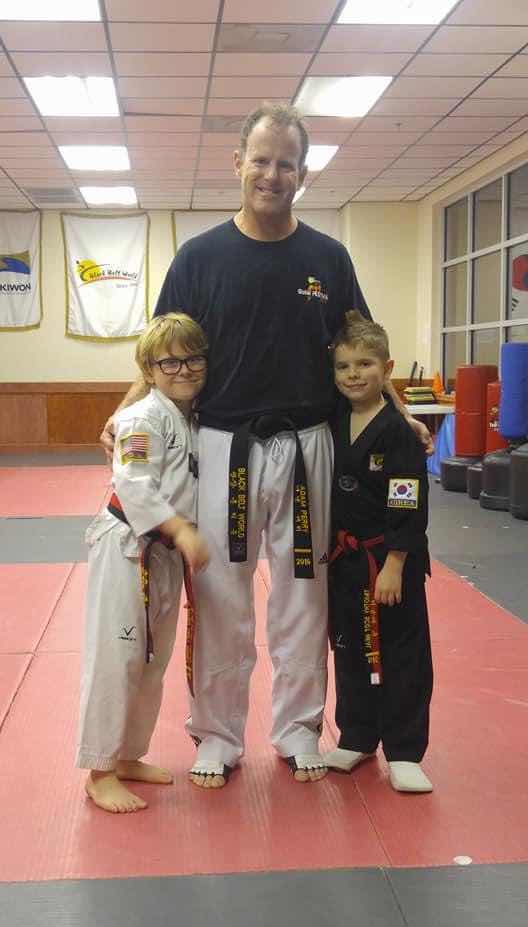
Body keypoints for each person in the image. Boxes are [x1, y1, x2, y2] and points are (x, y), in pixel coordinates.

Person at [101, 102, 431, 789]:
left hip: (310, 446)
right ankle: (218, 735)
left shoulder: (328, 257)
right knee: (220, 594)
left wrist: (402, 417)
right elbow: (162, 351)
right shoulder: (200, 257)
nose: (272, 175)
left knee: (303, 596)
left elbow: (364, 348)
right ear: (238, 164)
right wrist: (125, 409)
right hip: (224, 445)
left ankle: (298, 728)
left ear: (303, 174)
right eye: (261, 160)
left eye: (286, 164)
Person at [77, 313, 209, 812]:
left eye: (192, 358)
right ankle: (99, 771)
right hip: (129, 548)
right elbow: (132, 485)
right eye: (169, 362)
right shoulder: (140, 419)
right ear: (149, 370)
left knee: (153, 660)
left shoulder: (192, 417)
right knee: (118, 657)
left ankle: (128, 755)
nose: (183, 369)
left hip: (165, 555)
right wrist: (180, 529)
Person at [324, 313, 433, 792]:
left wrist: (395, 563)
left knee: (402, 652)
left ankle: (405, 751)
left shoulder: (397, 431)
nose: (353, 374)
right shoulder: (334, 418)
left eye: (365, 364)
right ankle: (358, 736)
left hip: (389, 561)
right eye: (344, 366)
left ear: (387, 369)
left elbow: (407, 500)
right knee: (348, 646)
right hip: (345, 559)